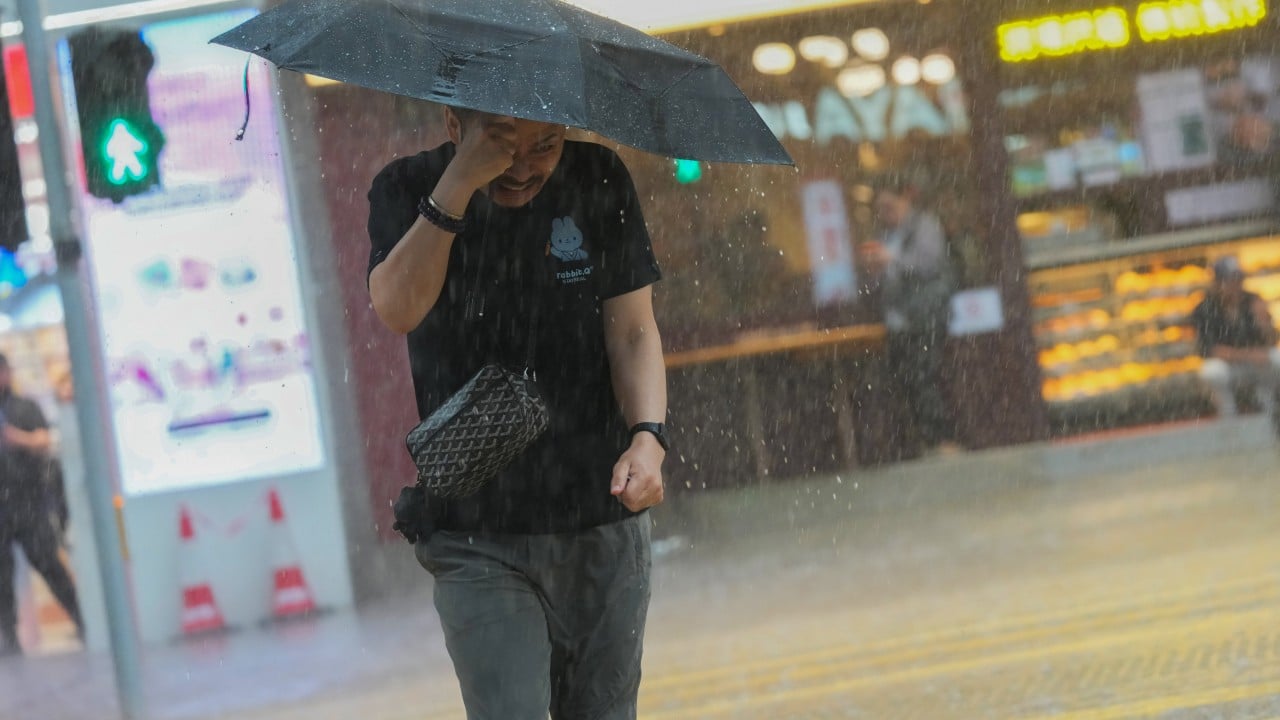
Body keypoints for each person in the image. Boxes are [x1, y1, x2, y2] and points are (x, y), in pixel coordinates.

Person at [366, 107, 668, 719]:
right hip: (475, 531)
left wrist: (648, 437)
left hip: (598, 513)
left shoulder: (597, 177)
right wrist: (458, 183)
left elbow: (633, 331)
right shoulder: (405, 186)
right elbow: (397, 308)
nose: (524, 167)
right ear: (455, 126)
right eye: (503, 145)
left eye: (545, 146)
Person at [857, 173, 958, 455]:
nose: (886, 214)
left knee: (923, 377)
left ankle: (941, 439)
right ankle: (925, 440)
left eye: (890, 206)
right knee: (907, 381)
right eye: (881, 209)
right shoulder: (884, 236)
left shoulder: (924, 226)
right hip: (898, 322)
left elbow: (929, 263)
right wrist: (873, 271)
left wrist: (893, 259)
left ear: (906, 199)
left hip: (924, 317)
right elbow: (877, 283)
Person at [0, 354, 84, 656]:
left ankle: (83, 621)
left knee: (49, 564)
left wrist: (16, 438)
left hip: (29, 503)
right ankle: (9, 638)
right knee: (2, 577)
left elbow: (44, 440)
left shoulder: (24, 408)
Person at [1191, 256, 1280, 422]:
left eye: (1238, 280)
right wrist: (1249, 355)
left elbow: (1271, 341)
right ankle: (1228, 416)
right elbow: (1211, 349)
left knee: (1277, 358)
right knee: (1212, 372)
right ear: (1218, 283)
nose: (1236, 285)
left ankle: (1269, 407)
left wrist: (1265, 323)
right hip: (1229, 365)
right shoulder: (1205, 308)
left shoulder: (1252, 300)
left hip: (1256, 364)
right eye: (1230, 281)